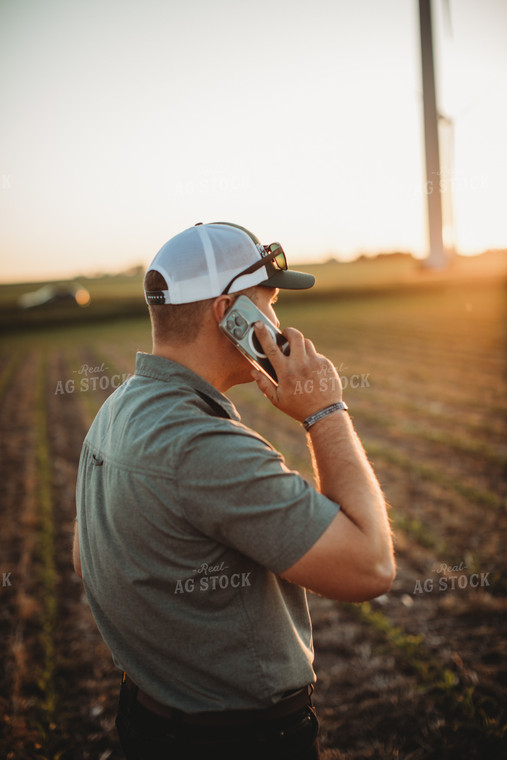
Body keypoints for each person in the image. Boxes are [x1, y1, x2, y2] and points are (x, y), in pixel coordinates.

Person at [73, 221, 395, 760]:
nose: (277, 323)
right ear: (230, 315)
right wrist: (325, 411)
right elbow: (371, 566)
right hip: (238, 741)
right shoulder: (202, 447)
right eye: (269, 304)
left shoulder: (117, 410)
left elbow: (86, 560)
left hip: (147, 720)